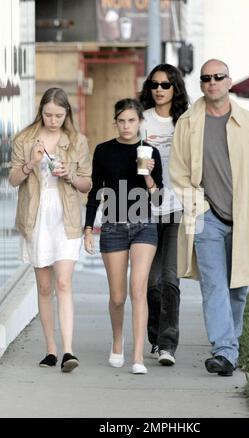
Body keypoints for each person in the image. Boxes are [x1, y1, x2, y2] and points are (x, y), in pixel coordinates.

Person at [169, 59, 249, 377]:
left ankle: (229, 347)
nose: (212, 83)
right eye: (206, 78)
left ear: (229, 81)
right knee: (214, 286)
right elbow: (178, 172)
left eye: (218, 77)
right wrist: (198, 205)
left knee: (238, 289)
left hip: (247, 219)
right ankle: (223, 350)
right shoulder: (188, 123)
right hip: (207, 216)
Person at [8, 87, 92, 372]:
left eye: (58, 115)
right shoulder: (24, 139)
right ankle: (51, 350)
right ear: (40, 112)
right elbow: (13, 179)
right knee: (44, 287)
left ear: (66, 113)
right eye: (48, 115)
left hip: (66, 218)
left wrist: (68, 174)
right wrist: (32, 162)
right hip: (36, 218)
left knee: (64, 283)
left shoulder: (77, 141)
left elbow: (86, 184)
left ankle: (68, 351)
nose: (53, 120)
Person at [84, 98, 163, 374]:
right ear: (115, 122)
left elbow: (159, 198)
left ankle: (138, 355)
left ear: (140, 121)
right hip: (113, 226)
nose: (127, 125)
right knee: (118, 297)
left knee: (138, 290)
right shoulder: (104, 151)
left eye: (132, 120)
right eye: (121, 120)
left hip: (144, 224)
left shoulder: (150, 152)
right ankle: (118, 340)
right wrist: (87, 228)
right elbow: (95, 192)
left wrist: (149, 177)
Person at [139, 64, 189, 365]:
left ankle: (168, 344)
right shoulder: (141, 120)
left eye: (166, 85)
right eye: (155, 84)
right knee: (150, 281)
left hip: (176, 206)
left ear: (175, 89)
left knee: (170, 278)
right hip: (143, 208)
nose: (160, 89)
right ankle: (156, 338)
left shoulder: (185, 121)